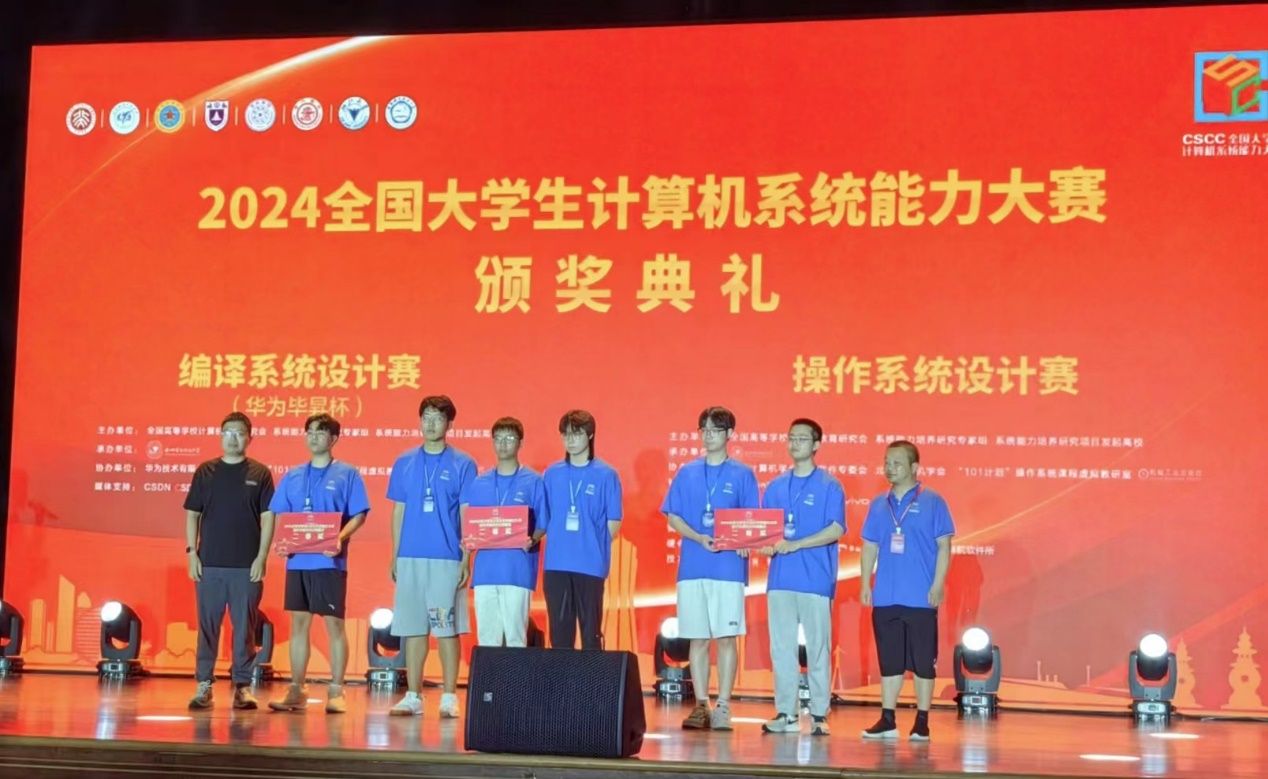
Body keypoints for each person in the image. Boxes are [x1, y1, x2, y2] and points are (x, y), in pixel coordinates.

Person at [265, 413, 370, 714]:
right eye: (309, 431)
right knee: (299, 625)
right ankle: (296, 689)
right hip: (298, 562)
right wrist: (282, 542)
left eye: (320, 432)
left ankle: (336, 690)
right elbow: (281, 514)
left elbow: (359, 514)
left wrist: (340, 538)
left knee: (334, 626)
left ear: (334, 439)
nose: (313, 437)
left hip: (329, 562)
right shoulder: (294, 475)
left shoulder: (347, 473)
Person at [662, 406, 759, 731]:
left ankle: (724, 706)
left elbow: (751, 520)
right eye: (704, 430)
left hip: (728, 568)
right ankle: (701, 705)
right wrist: (698, 537)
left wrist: (745, 541)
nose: (709, 436)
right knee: (698, 639)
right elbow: (673, 515)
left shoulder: (742, 474)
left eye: (716, 430)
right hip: (693, 566)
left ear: (730, 434)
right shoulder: (687, 472)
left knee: (727, 638)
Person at [387, 395, 477, 718]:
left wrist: (466, 558)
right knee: (413, 628)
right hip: (410, 557)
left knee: (445, 627)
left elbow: (467, 514)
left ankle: (450, 696)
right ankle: (413, 695)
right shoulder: (405, 462)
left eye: (438, 418)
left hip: (446, 558)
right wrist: (395, 554)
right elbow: (398, 511)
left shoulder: (463, 464)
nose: (431, 423)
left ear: (449, 423)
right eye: (426, 416)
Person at [859, 440, 955, 742]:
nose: (890, 468)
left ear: (914, 467)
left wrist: (938, 584)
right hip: (886, 596)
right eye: (887, 462)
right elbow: (869, 546)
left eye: (897, 463)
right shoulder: (879, 504)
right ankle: (887, 719)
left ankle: (922, 720)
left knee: (923, 662)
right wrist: (865, 583)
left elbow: (944, 546)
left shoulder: (933, 501)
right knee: (890, 662)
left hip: (920, 597)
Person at [759, 418, 845, 736]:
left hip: (815, 580)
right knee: (781, 648)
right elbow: (766, 531)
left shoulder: (830, 485)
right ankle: (787, 713)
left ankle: (819, 714)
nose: (794, 443)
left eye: (802, 438)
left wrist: (797, 544)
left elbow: (835, 529)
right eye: (791, 438)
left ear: (816, 444)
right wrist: (762, 545)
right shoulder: (776, 486)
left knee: (817, 647)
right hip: (780, 579)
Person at [184, 411, 275, 710]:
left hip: (246, 565)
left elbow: (268, 517)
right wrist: (192, 552)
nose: (233, 438)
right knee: (207, 627)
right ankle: (204, 684)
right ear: (220, 436)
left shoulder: (260, 473)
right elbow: (192, 514)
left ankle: (242, 686)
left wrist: (262, 557)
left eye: (239, 433)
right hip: (209, 563)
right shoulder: (206, 472)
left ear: (250, 438)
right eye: (227, 433)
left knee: (244, 628)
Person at [459, 417, 548, 647]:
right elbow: (470, 527)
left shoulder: (534, 481)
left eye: (509, 438)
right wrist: (465, 558)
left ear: (521, 443)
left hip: (516, 570)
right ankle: (489, 674)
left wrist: (533, 539)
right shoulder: (479, 482)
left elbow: (544, 522)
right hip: (485, 572)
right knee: (487, 639)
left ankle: (515, 674)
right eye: (498, 438)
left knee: (516, 638)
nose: (503, 444)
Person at [537, 410, 622, 650]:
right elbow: (545, 518)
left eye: (576, 434)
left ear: (590, 435)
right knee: (560, 636)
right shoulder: (552, 473)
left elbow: (613, 521)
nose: (570, 440)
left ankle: (591, 676)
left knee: (590, 635)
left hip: (590, 565)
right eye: (565, 435)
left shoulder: (606, 475)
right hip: (557, 565)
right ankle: (563, 676)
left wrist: (593, 546)